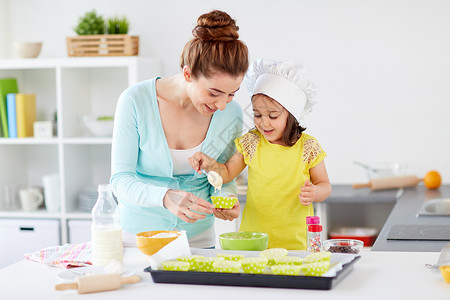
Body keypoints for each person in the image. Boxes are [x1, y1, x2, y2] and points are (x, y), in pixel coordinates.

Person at [110, 10, 249, 249]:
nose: (222, 104)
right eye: (214, 93)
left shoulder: (230, 113)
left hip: (199, 239)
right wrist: (164, 197)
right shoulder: (135, 101)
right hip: (139, 238)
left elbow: (221, 176)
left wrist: (225, 199)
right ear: (187, 73)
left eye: (231, 94)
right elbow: (120, 180)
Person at [189, 59, 332, 249]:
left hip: (295, 242)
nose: (264, 123)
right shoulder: (252, 142)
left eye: (273, 116)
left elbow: (325, 186)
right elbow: (226, 172)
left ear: (292, 115)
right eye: (257, 115)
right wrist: (208, 163)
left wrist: (315, 192)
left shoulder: (308, 147)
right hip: (253, 240)